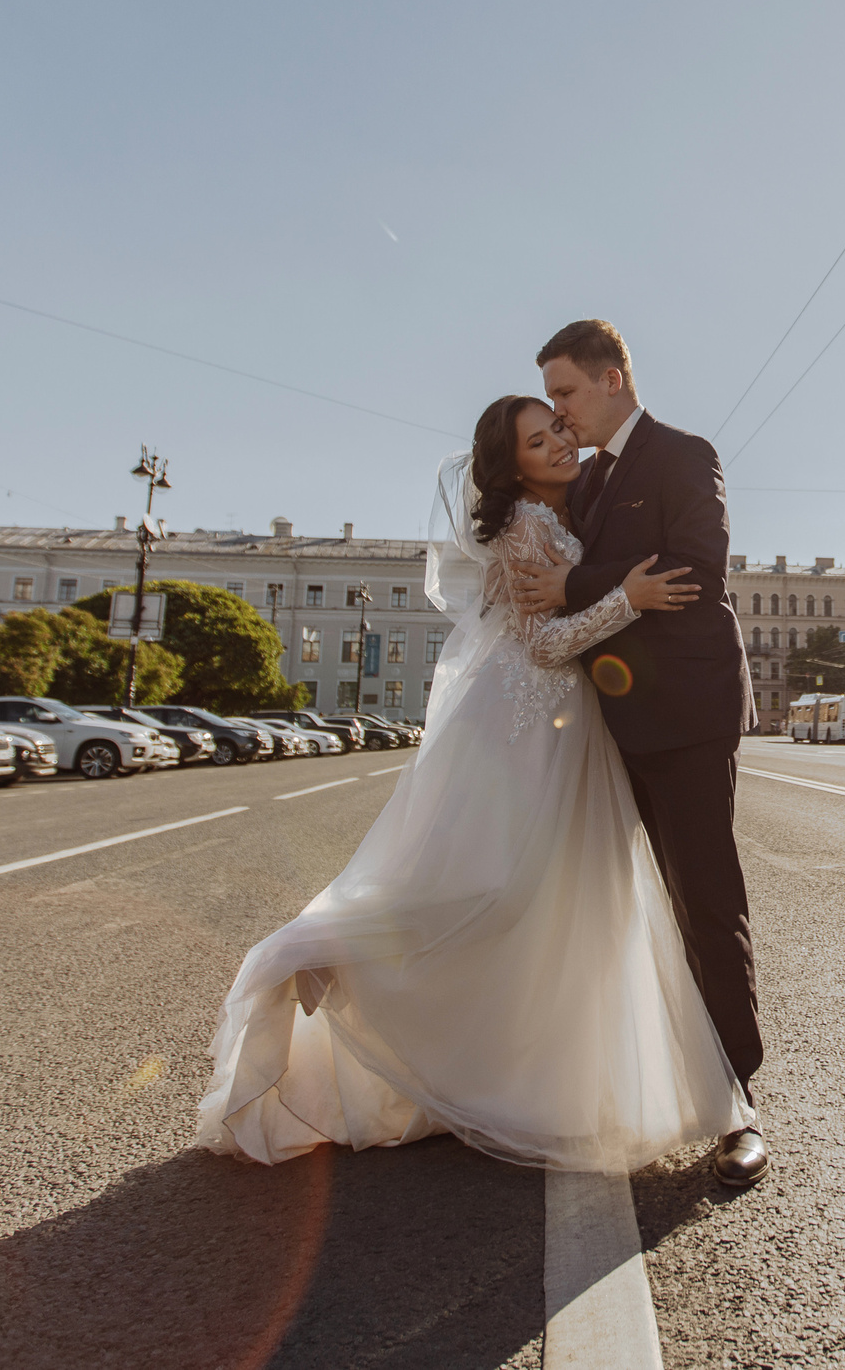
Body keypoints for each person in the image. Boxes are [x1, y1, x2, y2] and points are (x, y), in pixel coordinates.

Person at [195, 392, 748, 1178]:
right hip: (523, 725)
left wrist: (608, 584)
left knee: (554, 901)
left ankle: (526, 1074)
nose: (559, 438)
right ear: (511, 464)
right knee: (488, 884)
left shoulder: (578, 505)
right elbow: (546, 643)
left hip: (570, 727)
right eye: (538, 436)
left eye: (559, 425)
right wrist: (630, 596)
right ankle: (321, 954)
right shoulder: (525, 523)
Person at [507, 320, 769, 1186]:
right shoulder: (583, 486)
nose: (559, 410)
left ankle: (737, 1105)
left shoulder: (682, 454)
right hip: (607, 727)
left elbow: (694, 567)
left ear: (613, 378)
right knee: (612, 909)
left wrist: (577, 583)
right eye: (549, 398)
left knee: (704, 897)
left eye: (567, 393)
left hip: (687, 714)